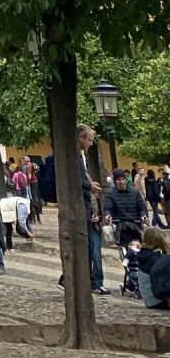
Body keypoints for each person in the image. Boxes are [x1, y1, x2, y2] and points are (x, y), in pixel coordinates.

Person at [76, 124, 108, 294]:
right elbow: (77, 181)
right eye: (89, 140)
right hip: (83, 211)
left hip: (91, 215)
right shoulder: (75, 157)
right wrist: (89, 186)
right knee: (88, 251)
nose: (90, 144)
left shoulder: (81, 157)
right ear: (81, 138)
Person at [105, 168, 148, 247]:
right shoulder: (110, 193)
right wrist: (108, 215)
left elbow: (142, 207)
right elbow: (108, 208)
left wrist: (143, 216)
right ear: (115, 181)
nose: (121, 182)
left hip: (135, 224)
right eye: (119, 180)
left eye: (123, 179)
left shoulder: (135, 192)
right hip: (120, 225)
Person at [133, 226, 170, 310]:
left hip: (148, 299)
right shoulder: (157, 258)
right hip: (157, 300)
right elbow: (162, 285)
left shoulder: (144, 254)